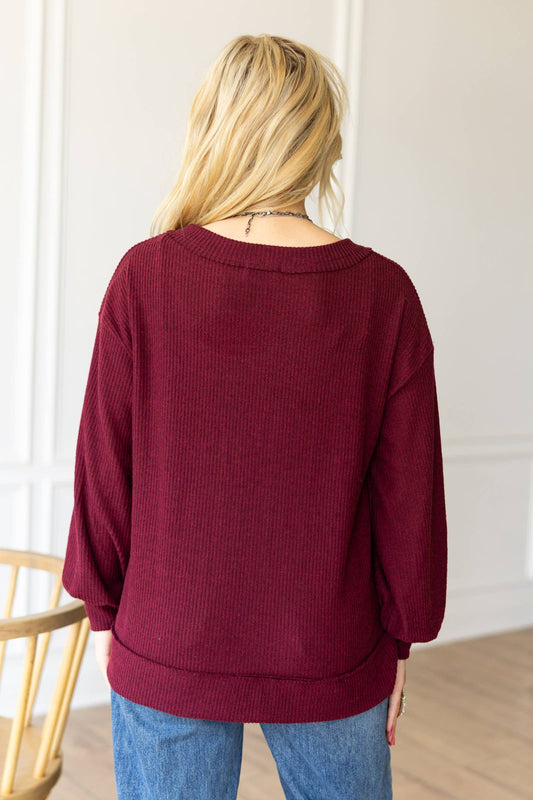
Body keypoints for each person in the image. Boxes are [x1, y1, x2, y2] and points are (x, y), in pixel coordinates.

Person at [62, 32, 447, 800]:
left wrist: (107, 615)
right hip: (332, 650)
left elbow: (105, 473)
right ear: (320, 142)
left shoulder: (147, 277)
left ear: (215, 129)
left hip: (167, 638)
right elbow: (408, 501)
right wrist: (400, 638)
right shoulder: (383, 296)